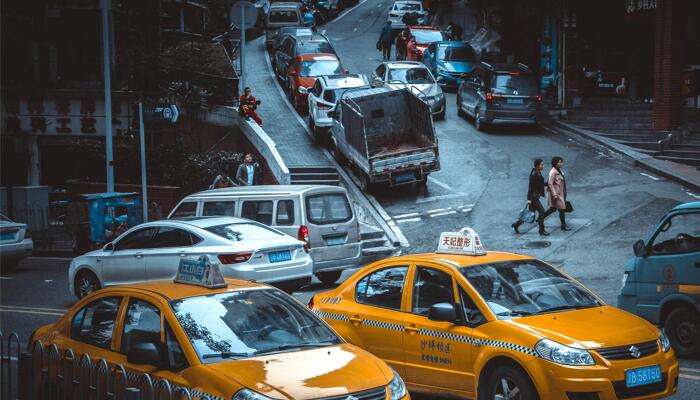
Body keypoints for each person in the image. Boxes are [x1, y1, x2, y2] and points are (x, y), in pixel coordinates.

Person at [512, 159, 556, 236]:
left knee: (529, 214)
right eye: (542, 164)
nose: (543, 166)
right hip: (533, 198)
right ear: (537, 165)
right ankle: (541, 230)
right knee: (542, 212)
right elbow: (531, 187)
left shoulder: (537, 172)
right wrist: (529, 199)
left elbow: (540, 183)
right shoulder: (534, 174)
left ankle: (516, 224)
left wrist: (549, 183)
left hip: (535, 197)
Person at [547, 156, 570, 231]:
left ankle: (540, 218)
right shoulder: (553, 172)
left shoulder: (559, 170)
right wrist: (554, 194)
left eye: (561, 162)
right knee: (562, 209)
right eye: (559, 162)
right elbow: (550, 183)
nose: (561, 163)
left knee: (553, 209)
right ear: (555, 163)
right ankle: (563, 226)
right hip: (557, 195)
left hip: (561, 193)